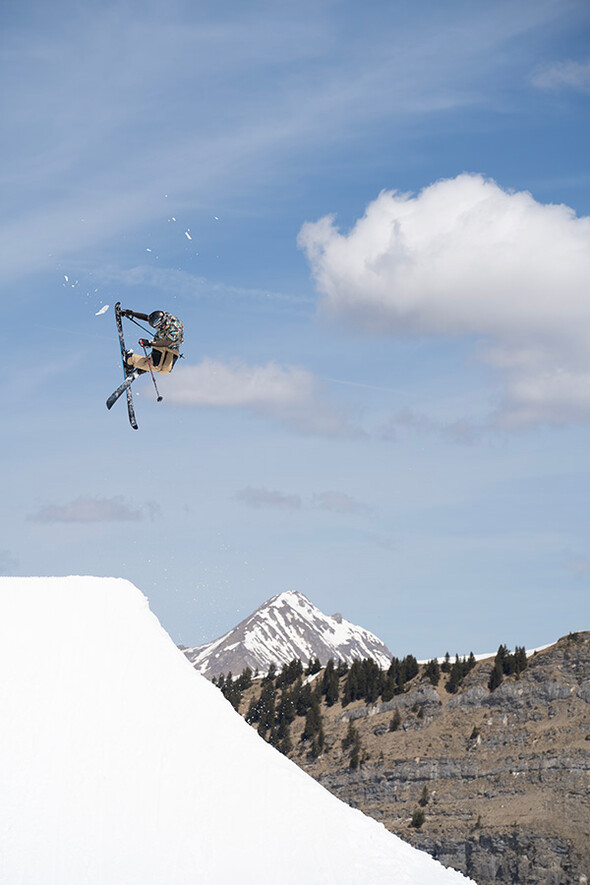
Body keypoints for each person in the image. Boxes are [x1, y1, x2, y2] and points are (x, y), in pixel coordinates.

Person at [121, 309, 184, 375]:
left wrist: (149, 343)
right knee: (156, 367)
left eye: (160, 327)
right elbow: (147, 318)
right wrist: (132, 313)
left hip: (170, 346)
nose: (159, 328)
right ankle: (130, 359)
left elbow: (167, 342)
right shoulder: (162, 317)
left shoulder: (174, 329)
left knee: (165, 371)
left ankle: (145, 366)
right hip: (159, 342)